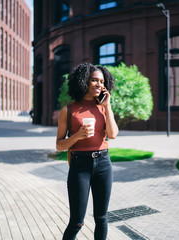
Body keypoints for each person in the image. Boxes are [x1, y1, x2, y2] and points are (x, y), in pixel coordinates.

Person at [56, 63, 119, 240]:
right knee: (77, 221)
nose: (99, 84)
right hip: (79, 166)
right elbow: (59, 145)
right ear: (83, 81)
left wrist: (107, 106)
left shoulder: (103, 108)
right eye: (94, 80)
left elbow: (112, 135)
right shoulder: (68, 111)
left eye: (102, 81)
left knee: (102, 218)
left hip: (103, 164)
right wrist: (77, 136)